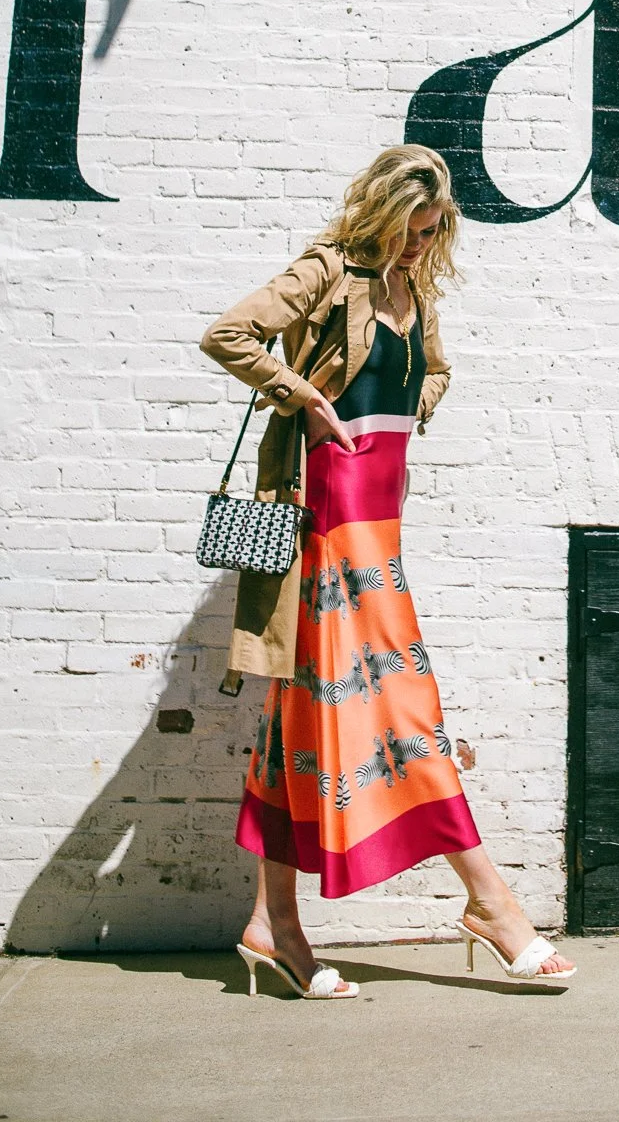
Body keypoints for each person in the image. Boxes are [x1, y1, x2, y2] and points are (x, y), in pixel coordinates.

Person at [200, 145, 575, 998]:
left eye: (430, 232)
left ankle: (274, 925)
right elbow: (228, 334)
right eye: (407, 231)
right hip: (326, 519)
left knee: (299, 712)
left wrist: (401, 425)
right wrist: (306, 398)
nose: (417, 246)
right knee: (403, 706)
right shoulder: (327, 273)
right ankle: (492, 903)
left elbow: (433, 370)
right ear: (380, 214)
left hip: (381, 517)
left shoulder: (416, 293)